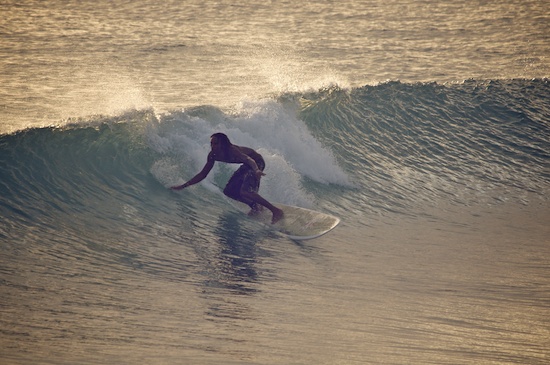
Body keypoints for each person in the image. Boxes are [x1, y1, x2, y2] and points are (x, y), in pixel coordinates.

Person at [171, 133, 284, 224]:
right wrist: (184, 185)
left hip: (257, 162)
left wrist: (256, 170)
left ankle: (276, 211)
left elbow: (248, 159)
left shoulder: (232, 150)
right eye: (211, 144)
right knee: (228, 191)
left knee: (245, 191)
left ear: (223, 144)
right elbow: (203, 174)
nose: (213, 146)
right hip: (247, 166)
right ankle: (256, 207)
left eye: (215, 144)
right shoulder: (212, 155)